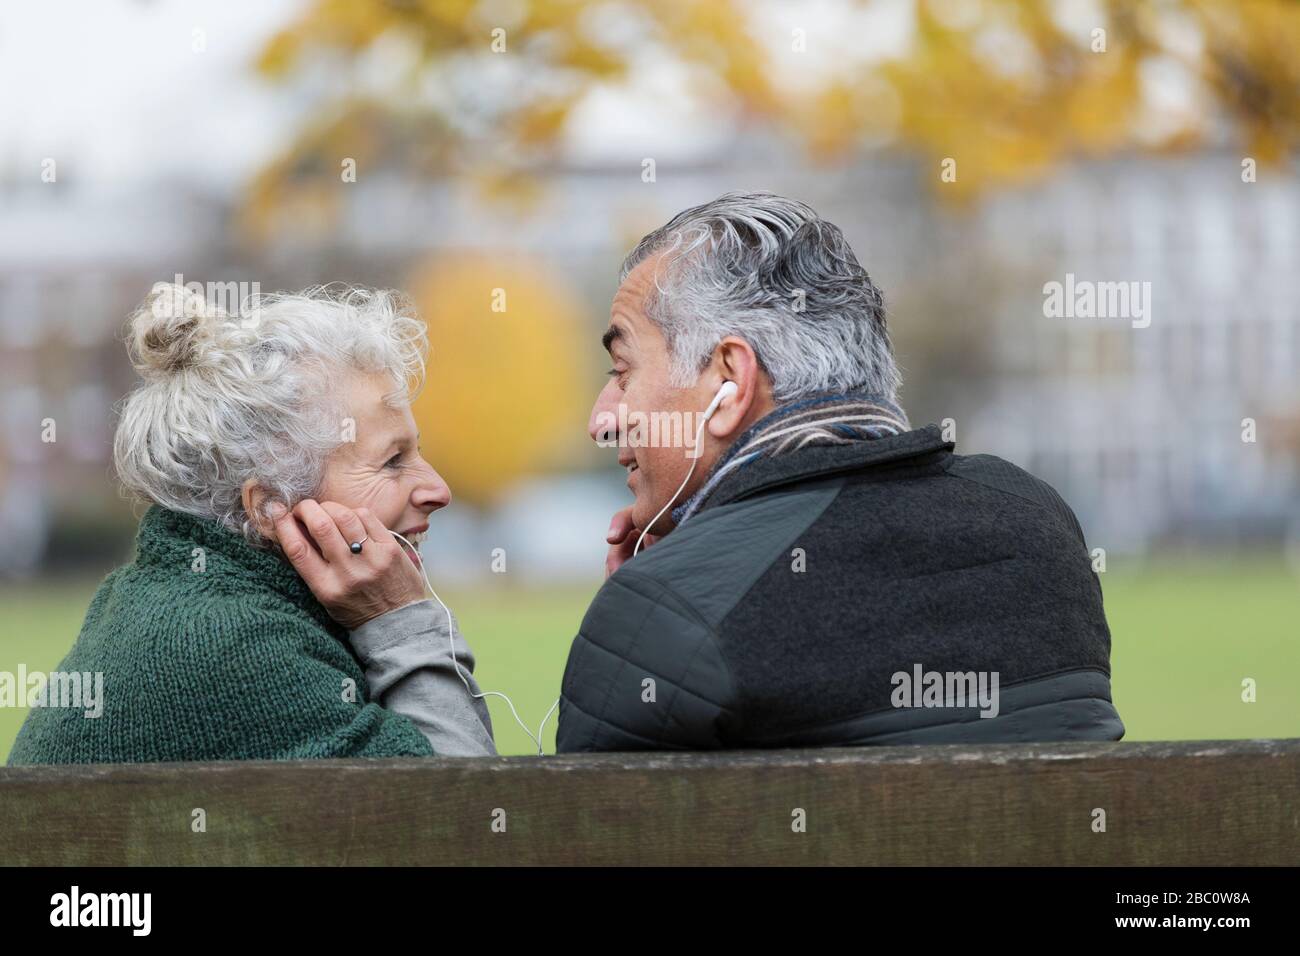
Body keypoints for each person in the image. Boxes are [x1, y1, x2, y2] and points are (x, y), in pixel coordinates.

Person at [556, 191, 1125, 752]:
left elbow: (587, 836)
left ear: (729, 383)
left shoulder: (664, 614)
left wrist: (643, 617)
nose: (602, 420)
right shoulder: (1039, 526)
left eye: (622, 371)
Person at [8, 282, 496, 764]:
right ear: (268, 506)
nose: (438, 489)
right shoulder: (234, 647)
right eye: (392, 460)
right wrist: (400, 621)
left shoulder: (185, 600)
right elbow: (462, 823)